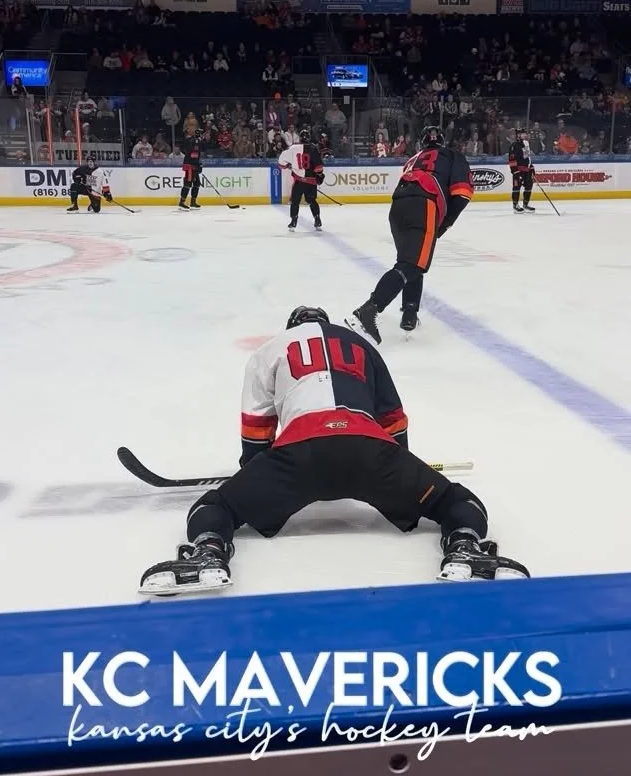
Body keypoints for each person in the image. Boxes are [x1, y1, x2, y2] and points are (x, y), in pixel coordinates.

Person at [139, 306, 529, 596]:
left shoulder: (271, 349)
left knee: (216, 507)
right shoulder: (361, 344)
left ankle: (208, 550)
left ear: (292, 327)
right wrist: (400, 467)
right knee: (454, 500)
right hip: (371, 454)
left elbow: (256, 429)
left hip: (300, 455)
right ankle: (464, 545)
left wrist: (256, 477)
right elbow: (393, 420)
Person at [347, 128, 473, 342]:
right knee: (412, 265)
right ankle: (368, 310)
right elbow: (462, 194)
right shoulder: (452, 155)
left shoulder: (413, 159)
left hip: (398, 206)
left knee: (410, 261)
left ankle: (409, 314)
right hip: (424, 204)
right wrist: (443, 225)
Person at [278, 138, 324, 232]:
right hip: (311, 181)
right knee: (312, 201)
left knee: (295, 202)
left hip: (299, 181)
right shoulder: (313, 148)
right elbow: (319, 167)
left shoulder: (293, 148)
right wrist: (319, 175)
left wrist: (287, 165)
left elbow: (281, 163)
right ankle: (317, 220)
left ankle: (293, 222)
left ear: (300, 139)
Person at [509, 128, 535, 214]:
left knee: (529, 186)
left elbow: (528, 158)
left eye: (525, 133)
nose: (525, 135)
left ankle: (525, 204)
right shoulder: (514, 146)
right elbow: (512, 159)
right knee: (516, 187)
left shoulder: (526, 144)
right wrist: (515, 172)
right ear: (518, 135)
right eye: (523, 134)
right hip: (518, 171)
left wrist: (531, 167)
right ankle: (515, 205)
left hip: (527, 170)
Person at [180, 136, 203, 210]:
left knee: (197, 183)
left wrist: (199, 164)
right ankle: (182, 202)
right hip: (190, 166)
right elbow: (193, 155)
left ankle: (193, 202)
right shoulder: (194, 142)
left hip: (194, 165)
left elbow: (197, 155)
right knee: (188, 183)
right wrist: (198, 164)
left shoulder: (197, 143)